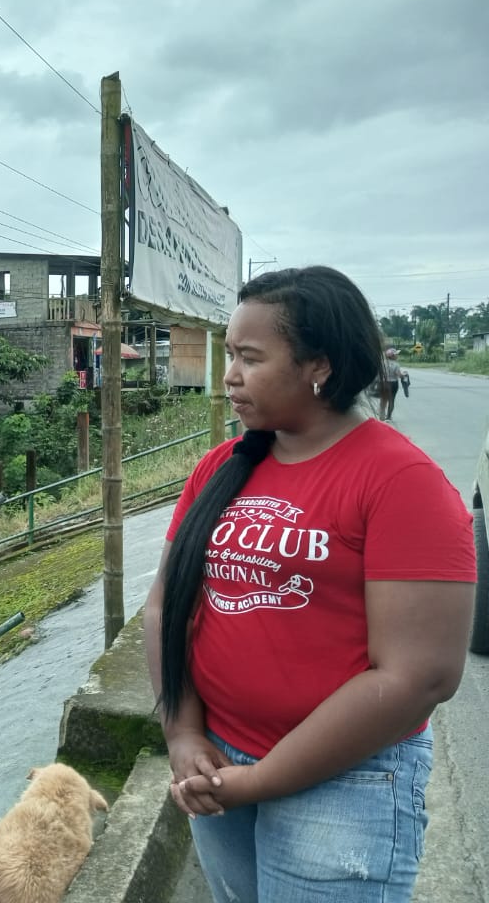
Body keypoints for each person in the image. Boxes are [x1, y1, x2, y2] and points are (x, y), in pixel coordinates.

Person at [144, 266, 475, 902]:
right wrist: (182, 733)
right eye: (229, 355)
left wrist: (263, 779)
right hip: (217, 759)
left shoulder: (401, 482)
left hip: (347, 784)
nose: (229, 376)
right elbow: (166, 606)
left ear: (318, 366)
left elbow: (420, 677)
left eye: (249, 358)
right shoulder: (219, 468)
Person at [379, 347, 403, 421]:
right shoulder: (396, 364)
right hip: (393, 384)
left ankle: (381, 416)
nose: (397, 356)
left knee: (383, 400)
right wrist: (403, 375)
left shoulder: (382, 363)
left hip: (384, 383)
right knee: (391, 400)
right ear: (392, 356)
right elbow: (398, 375)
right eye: (396, 354)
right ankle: (388, 417)